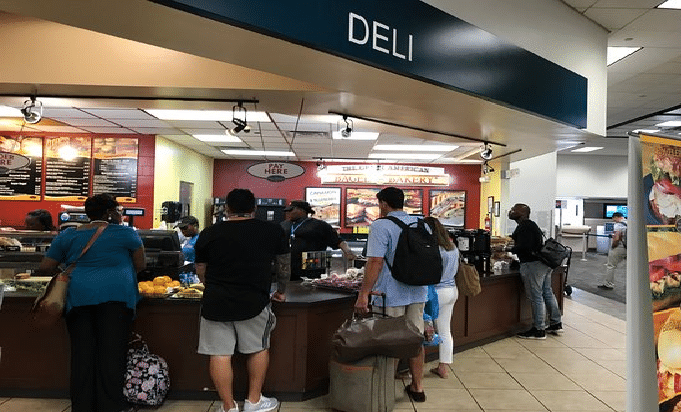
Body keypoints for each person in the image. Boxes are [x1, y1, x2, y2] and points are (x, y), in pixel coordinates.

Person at [35, 194, 146, 412]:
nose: (121, 214)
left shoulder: (68, 235)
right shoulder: (126, 234)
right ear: (109, 213)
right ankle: (109, 406)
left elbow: (46, 266)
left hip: (79, 298)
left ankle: (82, 405)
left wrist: (71, 271)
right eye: (118, 211)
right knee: (112, 355)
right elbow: (140, 264)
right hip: (117, 298)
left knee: (82, 354)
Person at [194, 189, 290, 412]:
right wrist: (281, 291)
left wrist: (211, 286)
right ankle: (253, 402)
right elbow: (284, 265)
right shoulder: (272, 230)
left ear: (226, 208)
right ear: (254, 208)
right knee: (257, 348)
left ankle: (229, 407)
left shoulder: (210, 232)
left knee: (219, 353)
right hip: (254, 301)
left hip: (215, 302)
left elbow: (200, 268)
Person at [354, 187, 429, 403]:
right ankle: (418, 387)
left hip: (390, 293)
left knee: (389, 341)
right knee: (415, 339)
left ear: (384, 204)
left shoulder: (381, 225)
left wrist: (363, 294)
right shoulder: (421, 223)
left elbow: (375, 262)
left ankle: (384, 391)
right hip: (418, 291)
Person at [508, 203, 562, 340]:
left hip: (533, 265)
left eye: (515, 209)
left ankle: (539, 330)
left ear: (523, 213)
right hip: (543, 264)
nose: (511, 211)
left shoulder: (525, 226)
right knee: (547, 293)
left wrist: (507, 249)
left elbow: (525, 247)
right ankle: (556, 323)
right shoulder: (529, 225)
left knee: (536, 296)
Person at [281, 200, 355, 281]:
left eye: (291, 210)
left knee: (310, 289)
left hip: (311, 269)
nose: (288, 213)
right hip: (288, 268)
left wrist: (348, 252)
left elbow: (338, 241)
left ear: (301, 210)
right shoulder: (284, 225)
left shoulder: (319, 225)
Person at [423, 216, 459, 379]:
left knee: (421, 330)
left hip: (435, 292)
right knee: (445, 329)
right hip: (451, 290)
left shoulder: (431, 249)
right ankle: (443, 367)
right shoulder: (452, 247)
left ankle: (413, 369)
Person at [598, 212, 627, 290]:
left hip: (619, 247)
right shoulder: (628, 223)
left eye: (613, 219)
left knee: (611, 266)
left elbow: (616, 238)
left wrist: (613, 247)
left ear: (616, 217)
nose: (613, 220)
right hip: (628, 248)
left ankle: (609, 284)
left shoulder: (617, 225)